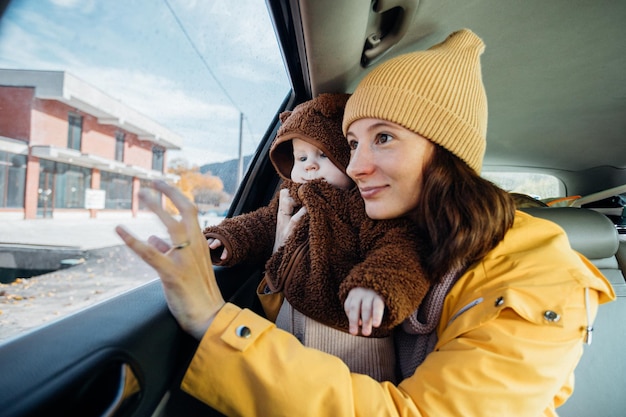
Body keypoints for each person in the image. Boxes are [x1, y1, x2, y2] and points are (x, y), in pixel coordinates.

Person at [116, 29, 615, 416]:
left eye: (384, 139)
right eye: (352, 143)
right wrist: (281, 251)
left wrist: (212, 319)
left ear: (447, 154)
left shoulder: (539, 282)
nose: (354, 167)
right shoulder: (407, 228)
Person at [201, 93, 430, 382]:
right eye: (301, 157)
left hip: (352, 339)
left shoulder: (363, 206)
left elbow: (400, 249)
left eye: (323, 154)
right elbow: (258, 223)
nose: (310, 165)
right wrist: (225, 237)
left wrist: (374, 285)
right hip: (289, 320)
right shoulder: (292, 198)